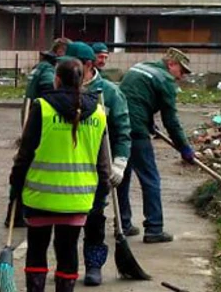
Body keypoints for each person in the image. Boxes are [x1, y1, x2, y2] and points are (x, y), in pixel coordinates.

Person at [9, 57, 113, 292]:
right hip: (78, 199)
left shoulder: (42, 108)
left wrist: (15, 186)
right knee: (67, 252)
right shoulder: (98, 113)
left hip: (40, 197)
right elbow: (102, 162)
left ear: (56, 79)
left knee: (37, 250)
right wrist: (102, 193)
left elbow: (25, 154)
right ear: (82, 80)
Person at [64, 42, 131, 286]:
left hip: (96, 168)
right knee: (67, 223)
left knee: (94, 218)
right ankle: (66, 267)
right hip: (67, 167)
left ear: (89, 66)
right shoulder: (61, 89)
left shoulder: (109, 93)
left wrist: (119, 163)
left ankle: (94, 265)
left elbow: (123, 131)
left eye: (74, 65)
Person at [116, 48, 196, 244]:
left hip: (117, 127)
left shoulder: (140, 67)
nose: (181, 76)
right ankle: (154, 228)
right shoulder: (165, 79)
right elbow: (171, 121)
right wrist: (184, 147)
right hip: (136, 132)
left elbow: (136, 97)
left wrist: (148, 121)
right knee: (150, 178)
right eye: (181, 71)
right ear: (171, 64)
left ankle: (123, 224)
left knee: (121, 176)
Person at [7, 37, 72, 229]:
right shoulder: (48, 71)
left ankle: (15, 211)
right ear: (60, 52)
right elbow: (49, 91)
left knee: (24, 160)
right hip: (39, 117)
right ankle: (17, 212)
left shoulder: (40, 67)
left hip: (30, 113)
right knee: (29, 163)